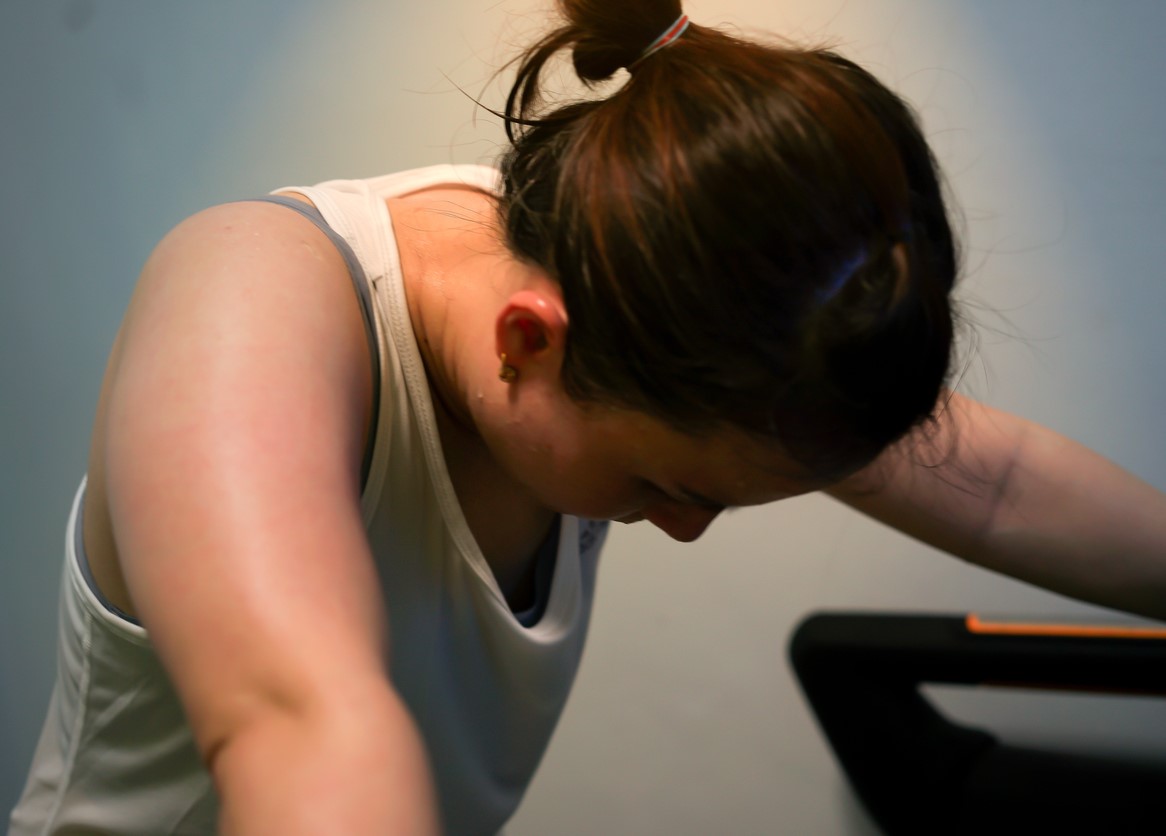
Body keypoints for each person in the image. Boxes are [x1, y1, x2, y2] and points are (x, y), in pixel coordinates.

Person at [9, 1, 1166, 834]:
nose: (682, 527)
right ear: (529, 339)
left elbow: (994, 483)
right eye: (671, 485)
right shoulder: (252, 296)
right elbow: (301, 722)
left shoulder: (655, 286)